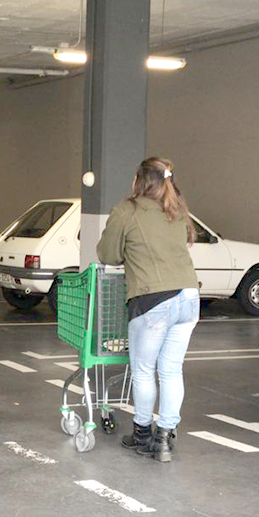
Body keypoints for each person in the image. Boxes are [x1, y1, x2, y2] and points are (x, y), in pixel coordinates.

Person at [96, 157, 200, 463]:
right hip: (189, 297)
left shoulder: (127, 210)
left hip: (153, 299)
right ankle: (164, 438)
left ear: (138, 181)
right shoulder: (176, 210)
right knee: (171, 370)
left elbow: (108, 254)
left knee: (143, 370)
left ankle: (142, 433)